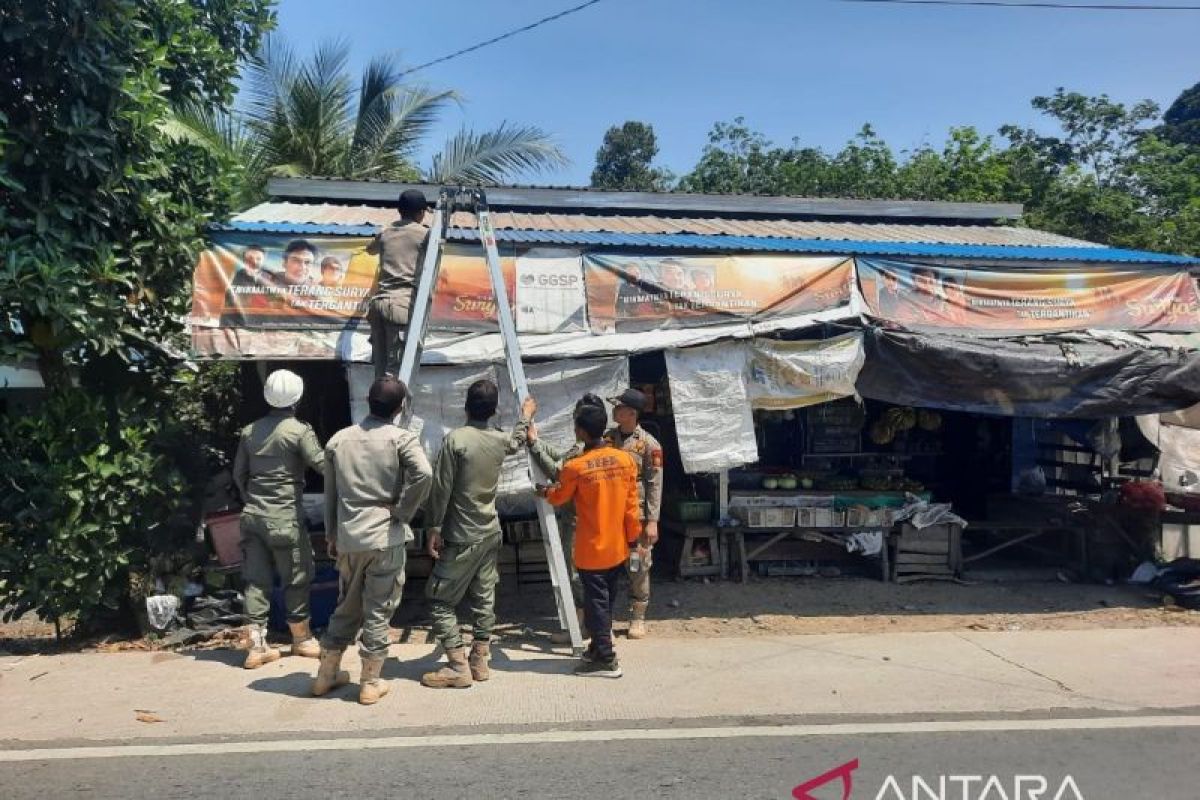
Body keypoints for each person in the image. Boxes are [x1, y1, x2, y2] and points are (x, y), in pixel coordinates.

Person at [312, 376, 432, 705]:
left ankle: (325, 676)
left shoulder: (339, 440)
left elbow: (331, 495)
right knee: (378, 610)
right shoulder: (401, 439)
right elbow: (425, 474)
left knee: (346, 606)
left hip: (349, 537)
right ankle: (370, 682)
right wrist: (403, 510)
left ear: (368, 401)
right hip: (384, 536)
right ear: (400, 408)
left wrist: (332, 534)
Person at [420, 382, 528, 689]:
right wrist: (525, 416)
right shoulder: (499, 440)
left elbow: (440, 490)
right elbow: (518, 439)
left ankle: (457, 665)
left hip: (461, 535)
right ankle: (480, 659)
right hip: (490, 532)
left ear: (465, 406)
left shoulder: (456, 440)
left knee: (440, 601)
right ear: (494, 410)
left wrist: (434, 528)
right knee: (483, 598)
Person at [540, 405, 642, 678]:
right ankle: (597, 649)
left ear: (581, 432)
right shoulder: (624, 460)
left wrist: (543, 491)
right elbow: (632, 507)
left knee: (595, 603)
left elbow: (558, 497)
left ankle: (607, 660)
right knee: (606, 601)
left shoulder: (576, 467)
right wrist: (633, 542)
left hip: (591, 550)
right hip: (618, 547)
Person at [232, 369, 325, 669]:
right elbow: (322, 465)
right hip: (285, 517)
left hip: (253, 517)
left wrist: (253, 501)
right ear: (297, 398)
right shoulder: (299, 431)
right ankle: (302, 639)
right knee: (296, 576)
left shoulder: (249, 431)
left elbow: (239, 474)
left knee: (256, 581)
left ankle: (257, 646)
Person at [523, 393, 609, 643]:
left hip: (579, 521)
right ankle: (594, 626)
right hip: (590, 519)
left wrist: (534, 445)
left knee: (577, 575)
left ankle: (586, 628)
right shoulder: (596, 447)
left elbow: (560, 472)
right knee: (594, 575)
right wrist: (537, 442)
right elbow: (563, 459)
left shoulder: (586, 454)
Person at [605, 388, 664, 639]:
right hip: (607, 515)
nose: (614, 411)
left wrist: (652, 521)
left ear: (631, 413)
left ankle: (637, 617)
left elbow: (655, 483)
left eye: (618, 408)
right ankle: (603, 617)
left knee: (638, 564)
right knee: (606, 566)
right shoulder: (606, 439)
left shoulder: (648, 444)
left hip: (636, 515)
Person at [366, 189, 430, 378]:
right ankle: (396, 408)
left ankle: (378, 407)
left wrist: (386, 231)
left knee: (380, 371)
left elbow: (370, 249)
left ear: (399, 211)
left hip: (378, 306)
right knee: (396, 373)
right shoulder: (425, 234)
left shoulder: (386, 232)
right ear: (421, 213)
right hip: (401, 306)